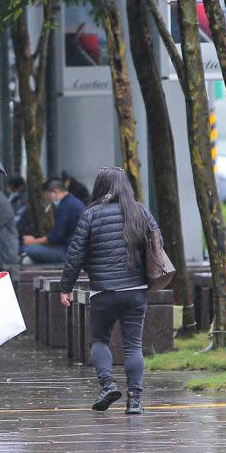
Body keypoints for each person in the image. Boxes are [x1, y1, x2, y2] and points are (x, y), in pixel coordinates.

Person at [59, 167, 158, 415]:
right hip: (135, 289)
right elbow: (157, 244)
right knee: (133, 346)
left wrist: (66, 287)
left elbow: (75, 254)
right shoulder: (140, 210)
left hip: (103, 290)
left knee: (100, 340)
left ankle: (107, 385)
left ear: (100, 187)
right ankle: (134, 401)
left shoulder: (90, 215)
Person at [22, 179, 85, 264]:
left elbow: (55, 237)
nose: (49, 201)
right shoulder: (74, 202)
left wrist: (33, 242)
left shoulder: (64, 207)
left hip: (68, 253)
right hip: (78, 251)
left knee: (29, 250)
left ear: (55, 192)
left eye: (48, 197)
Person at [7, 174, 36, 240]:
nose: (9, 188)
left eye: (9, 185)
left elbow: (19, 215)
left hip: (23, 231)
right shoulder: (14, 196)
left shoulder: (24, 198)